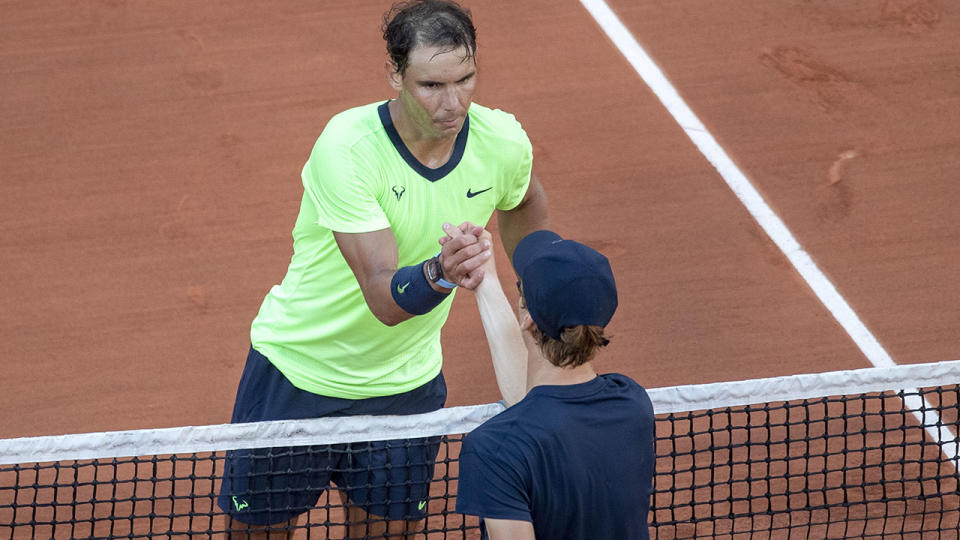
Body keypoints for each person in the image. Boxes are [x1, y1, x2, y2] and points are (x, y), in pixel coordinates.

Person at [216, 1, 549, 538]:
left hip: (405, 385)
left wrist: (537, 286)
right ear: (394, 74)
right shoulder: (348, 148)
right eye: (432, 85)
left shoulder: (501, 141)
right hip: (301, 374)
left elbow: (524, 197)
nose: (454, 102)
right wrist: (443, 271)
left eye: (465, 79)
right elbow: (385, 297)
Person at [455, 229, 656, 539]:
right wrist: (486, 282)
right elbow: (533, 405)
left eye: (520, 287)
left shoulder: (494, 449)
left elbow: (530, 414)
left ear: (529, 319)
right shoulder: (633, 405)